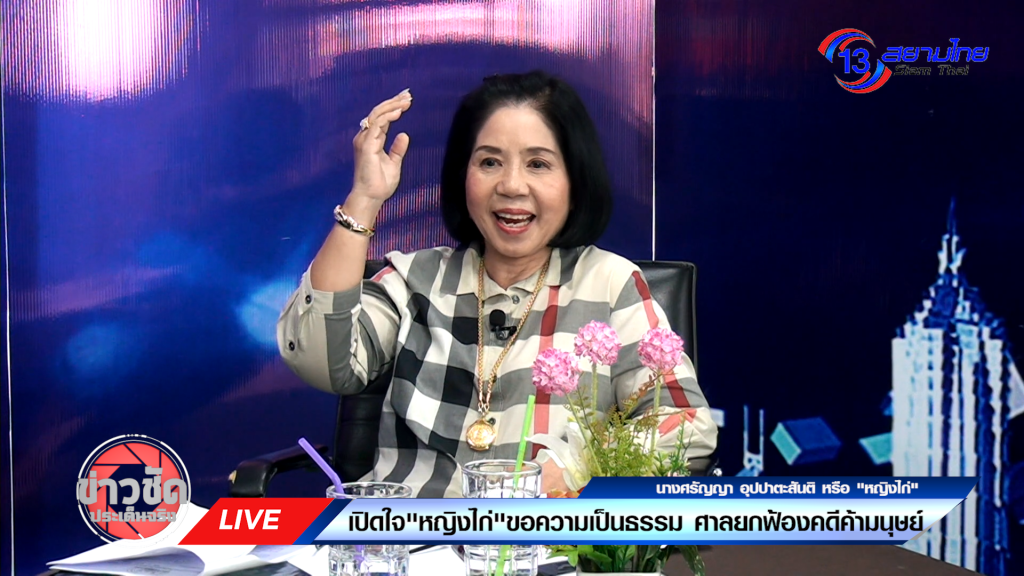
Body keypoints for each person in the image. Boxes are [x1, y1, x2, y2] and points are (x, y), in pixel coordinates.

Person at [277, 71, 717, 497]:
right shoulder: (414, 280)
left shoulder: (610, 285)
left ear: (575, 180)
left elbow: (687, 425)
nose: (511, 185)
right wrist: (364, 198)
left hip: (542, 538)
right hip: (406, 534)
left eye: (538, 164)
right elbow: (321, 362)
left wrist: (579, 465)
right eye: (489, 162)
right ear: (463, 175)